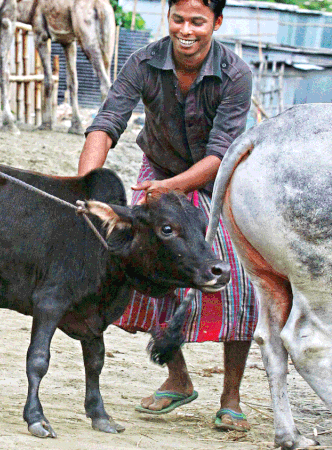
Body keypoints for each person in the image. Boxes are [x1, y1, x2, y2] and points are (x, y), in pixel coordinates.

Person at [77, 0, 257, 432]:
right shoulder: (143, 61)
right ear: (168, 19)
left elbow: (220, 153)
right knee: (138, 271)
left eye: (198, 21)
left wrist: (175, 187)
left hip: (221, 182)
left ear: (216, 22)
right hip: (155, 178)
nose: (186, 30)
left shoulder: (236, 74)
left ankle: (231, 396)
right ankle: (177, 378)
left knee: (234, 285)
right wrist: (83, 187)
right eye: (178, 19)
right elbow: (107, 122)